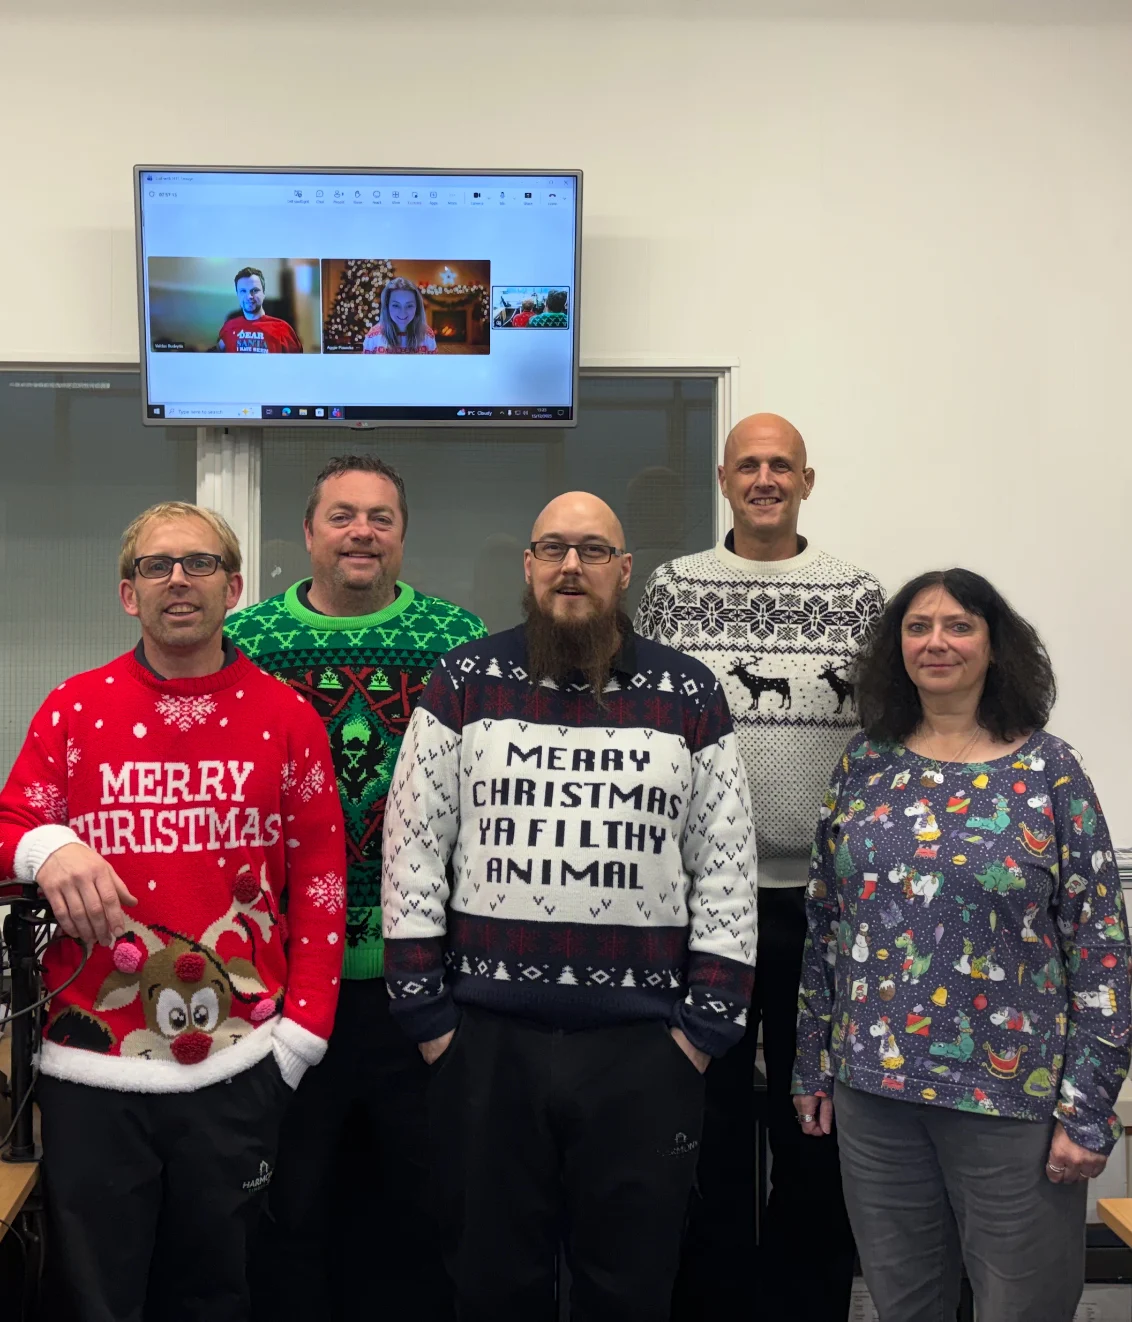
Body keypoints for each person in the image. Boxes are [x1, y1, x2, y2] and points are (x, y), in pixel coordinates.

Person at [381, 491, 758, 1322]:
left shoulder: (687, 692)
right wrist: (427, 1017)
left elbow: (726, 864)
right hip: (485, 1047)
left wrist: (703, 1033)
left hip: (644, 1052)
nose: (571, 566)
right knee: (489, 1281)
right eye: (553, 548)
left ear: (625, 571)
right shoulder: (465, 680)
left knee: (628, 1284)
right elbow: (412, 847)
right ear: (528, 566)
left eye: (592, 550)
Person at [0, 501, 344, 1321]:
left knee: (215, 1291)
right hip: (91, 1063)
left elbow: (323, 877)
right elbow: (8, 823)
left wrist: (302, 1037)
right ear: (129, 594)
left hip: (236, 1063)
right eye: (157, 566)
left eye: (198, 565)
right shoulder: (72, 710)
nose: (178, 580)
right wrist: (49, 848)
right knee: (93, 1294)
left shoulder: (287, 717)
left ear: (233, 588)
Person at [793, 568, 1131, 1322]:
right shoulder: (864, 763)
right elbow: (826, 924)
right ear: (896, 648)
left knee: (1024, 1306)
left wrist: (1088, 1108)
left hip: (1014, 1102)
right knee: (904, 1305)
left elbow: (1102, 946)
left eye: (958, 626)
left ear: (993, 645)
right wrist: (811, 1058)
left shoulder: (1051, 771)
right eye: (918, 627)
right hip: (876, 1097)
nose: (936, 642)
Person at [226, 455, 485, 1321]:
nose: (361, 532)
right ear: (308, 533)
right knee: (290, 1211)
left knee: (422, 1210)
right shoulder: (248, 645)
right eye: (342, 516)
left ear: (403, 535)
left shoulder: (461, 643)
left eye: (380, 517)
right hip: (283, 980)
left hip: (419, 979)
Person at [635, 411, 881, 1319]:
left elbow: (889, 733)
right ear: (725, 481)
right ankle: (713, 1297)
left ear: (807, 482)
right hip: (703, 906)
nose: (766, 478)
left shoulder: (858, 594)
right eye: (750, 465)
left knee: (815, 1116)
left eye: (783, 465)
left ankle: (805, 1298)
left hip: (826, 904)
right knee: (707, 1111)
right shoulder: (673, 589)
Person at [216, 266, 303, 353]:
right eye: (243, 291)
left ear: (263, 293)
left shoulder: (283, 329)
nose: (249, 296)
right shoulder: (229, 328)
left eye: (254, 290)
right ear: (238, 294)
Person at [363, 276, 437, 353]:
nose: (403, 313)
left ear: (417, 307)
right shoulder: (373, 336)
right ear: (387, 307)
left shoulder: (427, 335)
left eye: (409, 306)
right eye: (396, 305)